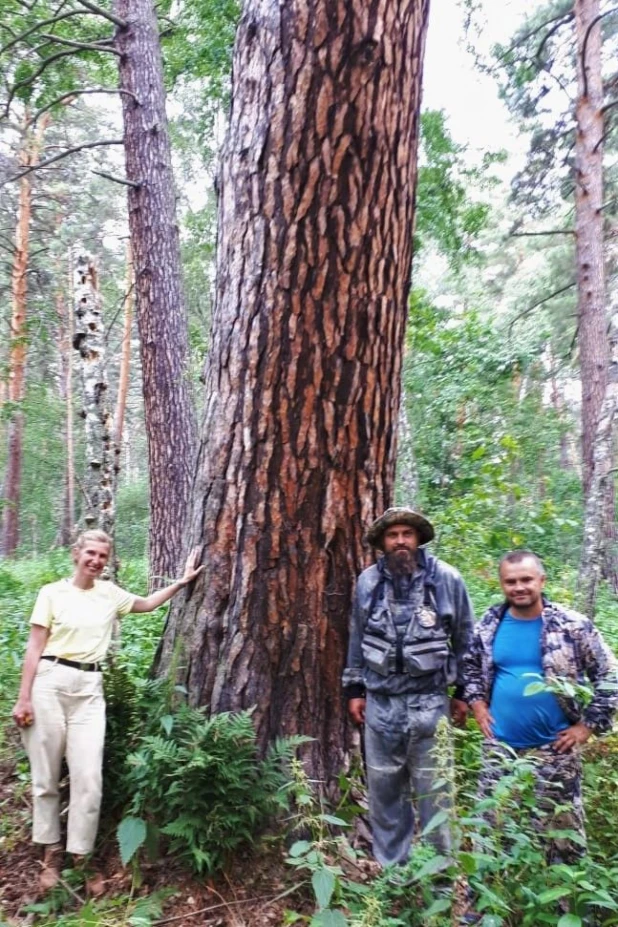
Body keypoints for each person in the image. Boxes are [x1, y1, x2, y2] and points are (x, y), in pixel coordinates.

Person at [12, 529, 204, 893]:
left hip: (89, 690)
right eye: (90, 553)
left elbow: (146, 604)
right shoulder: (52, 593)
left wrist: (180, 583)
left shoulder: (110, 595)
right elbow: (35, 647)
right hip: (49, 683)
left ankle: (82, 856)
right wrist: (23, 698)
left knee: (89, 779)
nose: (96, 561)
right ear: (76, 553)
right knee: (45, 776)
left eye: (102, 555)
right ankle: (51, 851)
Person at [463, 550, 618, 861]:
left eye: (526, 580)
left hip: (555, 750)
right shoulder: (489, 625)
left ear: (541, 581)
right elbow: (469, 668)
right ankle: (496, 899)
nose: (519, 587)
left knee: (561, 836)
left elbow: (610, 677)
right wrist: (478, 705)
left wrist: (586, 727)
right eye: (511, 581)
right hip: (500, 749)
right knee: (493, 830)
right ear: (502, 584)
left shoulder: (572, 625)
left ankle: (565, 903)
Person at [342, 507, 474, 867]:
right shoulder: (368, 581)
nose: (400, 540)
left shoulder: (447, 579)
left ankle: (441, 876)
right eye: (393, 535)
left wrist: (463, 693)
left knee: (437, 793)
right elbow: (357, 635)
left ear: (418, 539)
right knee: (384, 792)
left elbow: (466, 640)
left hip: (431, 703)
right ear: (382, 542)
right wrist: (354, 690)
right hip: (380, 704)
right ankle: (392, 874)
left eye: (407, 534)